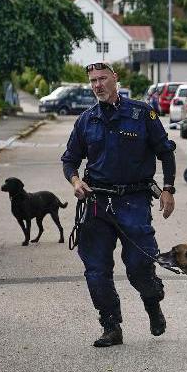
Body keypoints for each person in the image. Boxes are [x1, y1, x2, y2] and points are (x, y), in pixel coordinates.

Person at [61, 62, 177, 347]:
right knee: (96, 270)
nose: (97, 85)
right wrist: (75, 181)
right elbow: (70, 160)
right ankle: (111, 326)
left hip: (133, 201)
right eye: (93, 81)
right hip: (97, 203)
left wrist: (168, 189)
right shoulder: (86, 120)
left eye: (102, 79)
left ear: (115, 79)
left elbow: (166, 152)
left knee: (140, 265)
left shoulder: (142, 114)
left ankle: (152, 303)